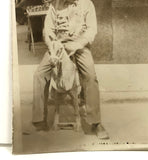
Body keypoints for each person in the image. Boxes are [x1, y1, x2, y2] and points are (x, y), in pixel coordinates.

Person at [32, 0, 109, 139]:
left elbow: (92, 30)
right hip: (58, 45)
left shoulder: (87, 4)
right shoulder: (55, 5)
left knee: (90, 76)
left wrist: (77, 45)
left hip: (78, 46)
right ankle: (39, 120)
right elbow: (48, 30)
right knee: (39, 74)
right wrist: (52, 46)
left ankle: (96, 122)